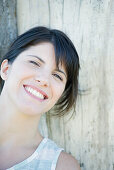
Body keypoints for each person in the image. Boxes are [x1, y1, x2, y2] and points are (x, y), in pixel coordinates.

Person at [0, 26, 80, 170]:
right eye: (34, 63)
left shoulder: (62, 166)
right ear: (6, 69)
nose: (44, 80)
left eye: (57, 76)